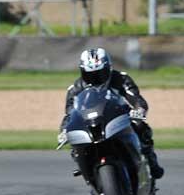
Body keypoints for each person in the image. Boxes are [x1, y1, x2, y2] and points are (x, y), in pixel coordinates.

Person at [58, 47, 165, 179]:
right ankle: (90, 175)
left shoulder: (121, 79)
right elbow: (70, 114)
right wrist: (64, 131)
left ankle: (151, 160)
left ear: (108, 68)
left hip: (118, 117)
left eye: (99, 73)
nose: (95, 79)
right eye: (90, 75)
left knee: (140, 126)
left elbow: (137, 99)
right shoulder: (75, 88)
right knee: (75, 143)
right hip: (92, 121)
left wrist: (139, 111)